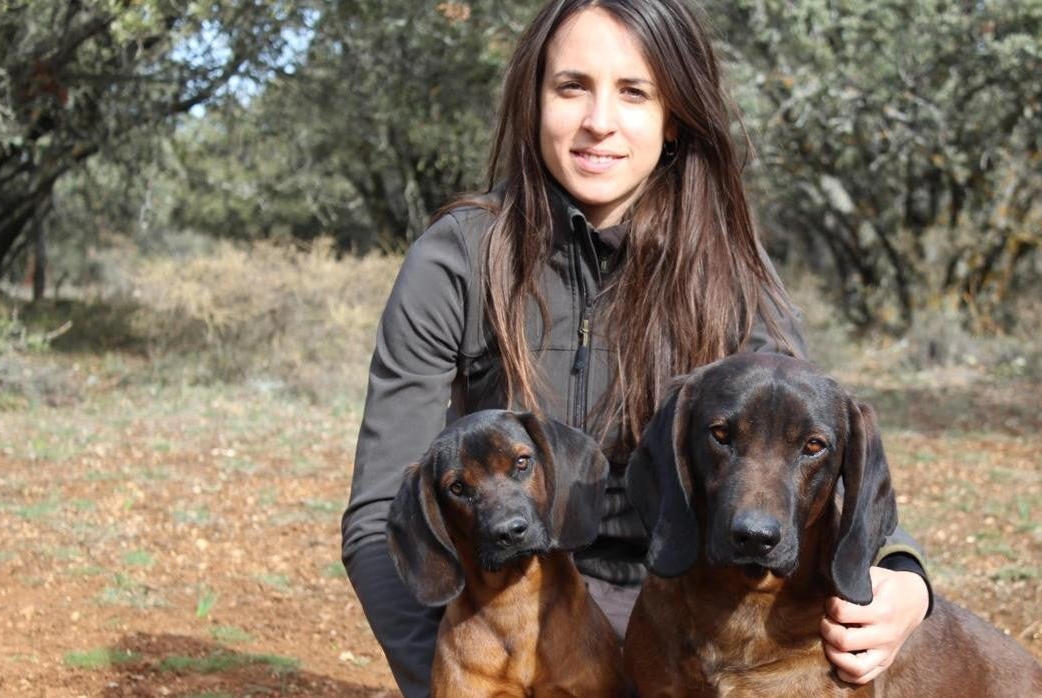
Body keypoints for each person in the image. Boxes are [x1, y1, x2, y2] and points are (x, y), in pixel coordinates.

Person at [340, 1, 932, 695]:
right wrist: (456, 676)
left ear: (674, 113)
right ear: (534, 99)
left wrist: (906, 576)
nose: (599, 121)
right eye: (571, 87)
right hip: (514, 614)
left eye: (633, 92)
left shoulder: (731, 273)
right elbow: (382, 511)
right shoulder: (458, 259)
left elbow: (806, 443)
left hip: (678, 609)